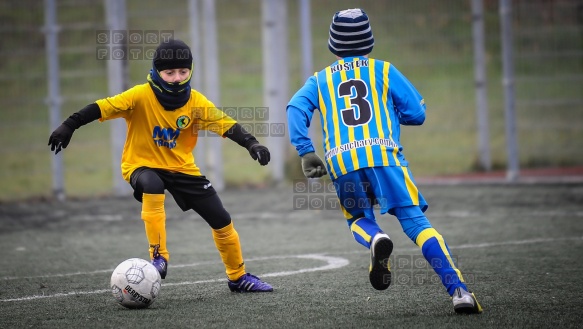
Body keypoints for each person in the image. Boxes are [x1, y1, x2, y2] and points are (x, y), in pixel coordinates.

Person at [286, 8, 482, 313]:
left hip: (342, 161)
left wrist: (305, 150)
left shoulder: (319, 79)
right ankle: (459, 291)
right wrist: (392, 114)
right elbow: (417, 114)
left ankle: (376, 237)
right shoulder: (384, 71)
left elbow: (295, 108)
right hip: (384, 156)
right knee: (417, 223)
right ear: (369, 42)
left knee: (357, 219)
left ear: (333, 45)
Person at [48, 39, 273, 293]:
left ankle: (238, 277)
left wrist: (252, 144)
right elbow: (102, 106)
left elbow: (225, 123)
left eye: (183, 72)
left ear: (191, 71)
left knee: (222, 220)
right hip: (141, 166)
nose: (177, 78)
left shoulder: (195, 102)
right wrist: (70, 124)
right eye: (169, 72)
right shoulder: (139, 95)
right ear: (156, 71)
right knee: (152, 184)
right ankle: (159, 257)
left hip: (182, 168)